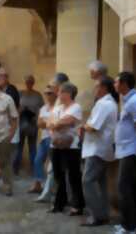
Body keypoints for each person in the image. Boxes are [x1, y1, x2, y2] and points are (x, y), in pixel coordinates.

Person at [81, 77, 118, 227]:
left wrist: (83, 125)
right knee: (101, 183)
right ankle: (103, 214)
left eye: (96, 86)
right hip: (102, 148)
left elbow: (93, 127)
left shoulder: (104, 104)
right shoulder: (111, 103)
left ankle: (97, 215)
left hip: (97, 149)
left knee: (87, 181)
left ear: (103, 88)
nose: (93, 89)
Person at [113, 72, 136, 234]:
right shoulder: (129, 100)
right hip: (127, 149)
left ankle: (128, 227)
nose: (114, 85)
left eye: (116, 82)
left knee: (123, 188)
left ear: (124, 83)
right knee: (132, 188)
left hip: (131, 150)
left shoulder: (135, 101)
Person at [48, 82, 85, 215]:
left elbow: (65, 122)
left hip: (71, 147)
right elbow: (49, 123)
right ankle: (59, 203)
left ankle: (77, 205)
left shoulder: (76, 107)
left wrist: (55, 124)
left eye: (61, 92)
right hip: (56, 144)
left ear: (68, 94)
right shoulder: (58, 108)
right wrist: (55, 125)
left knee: (74, 176)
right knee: (58, 175)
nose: (58, 94)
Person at [35, 73, 69, 202]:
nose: (49, 93)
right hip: (52, 138)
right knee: (50, 167)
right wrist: (49, 123)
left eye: (52, 87)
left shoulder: (63, 103)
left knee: (58, 169)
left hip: (62, 140)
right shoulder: (47, 107)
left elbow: (56, 122)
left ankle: (58, 196)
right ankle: (50, 193)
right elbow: (42, 123)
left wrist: (49, 123)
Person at [28, 85, 56, 193]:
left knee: (53, 164)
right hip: (44, 138)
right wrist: (48, 123)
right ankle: (38, 184)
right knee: (37, 160)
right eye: (46, 93)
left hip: (53, 138)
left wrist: (47, 123)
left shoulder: (58, 108)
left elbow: (54, 123)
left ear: (55, 94)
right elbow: (39, 123)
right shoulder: (43, 108)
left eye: (49, 93)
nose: (47, 96)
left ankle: (52, 187)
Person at [13, 75, 44, 175]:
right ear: (25, 82)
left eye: (30, 82)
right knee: (20, 147)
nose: (29, 84)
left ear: (33, 83)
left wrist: (37, 118)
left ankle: (32, 169)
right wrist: (21, 111)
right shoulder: (20, 93)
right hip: (22, 122)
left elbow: (42, 109)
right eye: (28, 82)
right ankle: (16, 169)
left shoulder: (37, 95)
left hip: (32, 123)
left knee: (31, 148)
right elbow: (14, 108)